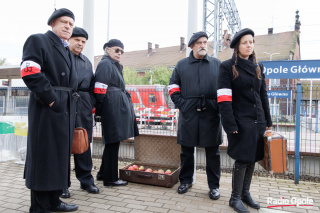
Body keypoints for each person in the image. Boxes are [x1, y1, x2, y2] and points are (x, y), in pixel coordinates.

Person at [20, 8, 79, 212]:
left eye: (71, 24)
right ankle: (39, 207)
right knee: (44, 156)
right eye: (63, 22)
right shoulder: (38, 40)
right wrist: (52, 100)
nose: (67, 27)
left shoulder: (66, 50)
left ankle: (54, 200)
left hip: (65, 110)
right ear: (52, 23)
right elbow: (29, 72)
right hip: (47, 108)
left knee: (60, 156)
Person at [217, 28, 272, 213]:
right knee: (242, 160)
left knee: (252, 159)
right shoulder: (227, 67)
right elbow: (224, 99)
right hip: (240, 122)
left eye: (251, 42)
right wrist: (230, 124)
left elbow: (263, 95)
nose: (249, 45)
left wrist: (269, 122)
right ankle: (235, 198)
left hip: (258, 121)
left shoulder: (258, 67)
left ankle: (245, 194)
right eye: (245, 42)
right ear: (237, 47)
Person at [168, 31, 222, 200]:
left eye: (205, 42)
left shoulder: (217, 64)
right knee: (186, 150)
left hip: (211, 114)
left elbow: (224, 89)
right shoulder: (181, 65)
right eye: (199, 42)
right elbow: (172, 87)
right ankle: (185, 181)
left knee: (213, 152)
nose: (203, 45)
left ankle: (214, 186)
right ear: (191, 46)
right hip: (189, 113)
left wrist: (217, 106)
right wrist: (183, 105)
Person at [60, 27, 99, 198]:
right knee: (63, 145)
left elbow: (92, 86)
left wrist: (89, 102)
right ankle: (62, 185)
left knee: (83, 143)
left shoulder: (87, 62)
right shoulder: (61, 57)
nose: (80, 44)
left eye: (83, 42)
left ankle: (86, 180)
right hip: (64, 103)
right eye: (77, 40)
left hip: (83, 104)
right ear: (68, 40)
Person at [94, 39, 139, 186]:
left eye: (122, 51)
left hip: (116, 105)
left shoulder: (113, 65)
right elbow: (99, 89)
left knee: (113, 142)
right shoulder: (106, 64)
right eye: (117, 50)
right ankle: (111, 178)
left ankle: (102, 173)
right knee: (113, 141)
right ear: (107, 49)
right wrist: (99, 110)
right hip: (112, 106)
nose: (119, 53)